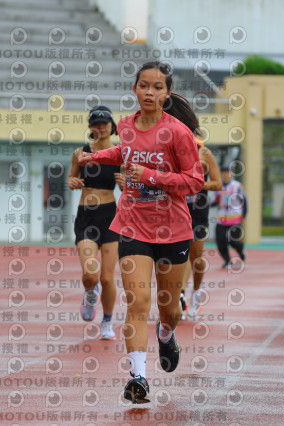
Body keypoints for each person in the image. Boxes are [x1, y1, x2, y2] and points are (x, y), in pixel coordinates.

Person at [78, 61, 204, 404]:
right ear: (135, 89)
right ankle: (138, 378)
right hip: (133, 224)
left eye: (157, 87)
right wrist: (96, 157)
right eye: (144, 85)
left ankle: (166, 334)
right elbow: (125, 152)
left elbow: (194, 181)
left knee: (168, 309)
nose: (150, 92)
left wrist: (150, 176)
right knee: (138, 302)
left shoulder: (178, 132)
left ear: (167, 93)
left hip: (173, 229)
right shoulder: (125, 126)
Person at [68, 105, 124, 340]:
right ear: (90, 127)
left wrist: (125, 184)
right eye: (96, 124)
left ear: (112, 127)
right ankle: (90, 293)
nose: (100, 127)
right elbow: (72, 177)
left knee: (107, 278)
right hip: (86, 216)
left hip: (110, 217)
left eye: (104, 123)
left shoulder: (121, 154)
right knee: (91, 275)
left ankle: (107, 321)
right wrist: (72, 182)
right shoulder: (80, 153)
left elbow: (130, 189)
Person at [181, 140, 221, 318]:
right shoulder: (170, 150)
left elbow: (217, 184)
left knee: (195, 257)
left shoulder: (204, 153)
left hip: (198, 212)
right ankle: (180, 295)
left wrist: (196, 184)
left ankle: (196, 291)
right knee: (179, 255)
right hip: (177, 211)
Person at [212, 165, 247, 268]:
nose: (226, 174)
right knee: (220, 240)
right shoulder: (219, 186)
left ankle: (241, 251)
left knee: (233, 240)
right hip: (222, 219)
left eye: (228, 172)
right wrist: (206, 204)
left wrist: (244, 214)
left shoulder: (237, 186)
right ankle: (227, 261)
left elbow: (244, 200)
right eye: (224, 172)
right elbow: (217, 201)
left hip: (235, 218)